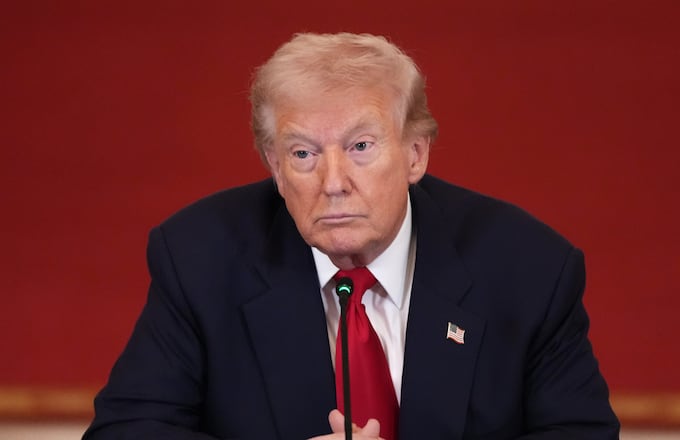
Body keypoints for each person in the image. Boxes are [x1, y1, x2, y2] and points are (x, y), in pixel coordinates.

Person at [83, 32, 619, 439]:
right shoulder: (199, 258)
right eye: (303, 154)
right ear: (275, 168)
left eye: (361, 146)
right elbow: (126, 431)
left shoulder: (528, 268)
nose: (333, 182)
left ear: (415, 155)